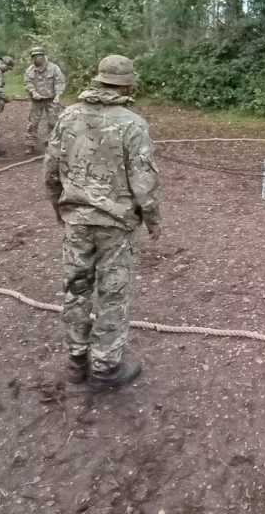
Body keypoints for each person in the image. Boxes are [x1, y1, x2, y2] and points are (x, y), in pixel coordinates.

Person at [44, 54, 161, 392]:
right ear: (128, 84)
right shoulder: (132, 124)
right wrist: (153, 219)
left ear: (99, 79)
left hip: (76, 222)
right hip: (116, 226)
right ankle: (106, 368)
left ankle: (76, 361)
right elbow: (144, 181)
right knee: (112, 294)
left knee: (77, 289)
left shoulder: (68, 116)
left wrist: (57, 205)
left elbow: (50, 168)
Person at [24, 47, 67, 154]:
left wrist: (57, 95)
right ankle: (30, 144)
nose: (35, 58)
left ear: (43, 56)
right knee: (33, 123)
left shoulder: (54, 68)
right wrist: (33, 92)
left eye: (38, 56)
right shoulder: (30, 70)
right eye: (33, 56)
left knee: (53, 122)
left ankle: (52, 143)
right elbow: (27, 83)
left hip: (51, 100)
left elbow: (59, 82)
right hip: (36, 101)